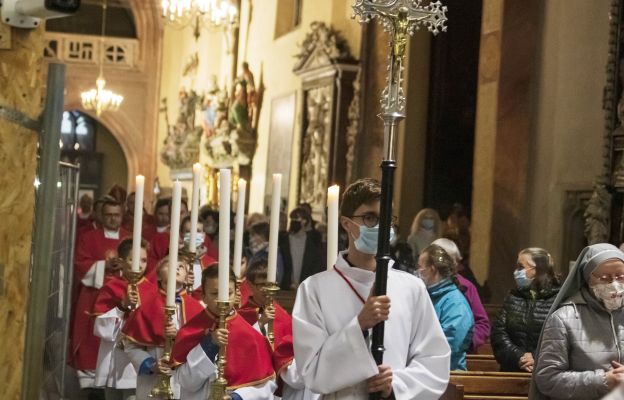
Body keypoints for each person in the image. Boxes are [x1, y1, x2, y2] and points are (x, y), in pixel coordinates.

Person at [293, 178, 451, 399]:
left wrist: (396, 384)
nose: (380, 226)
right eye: (370, 218)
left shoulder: (411, 288)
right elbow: (311, 371)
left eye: (386, 218)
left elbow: (434, 360)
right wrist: (359, 325)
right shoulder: (314, 290)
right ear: (346, 223)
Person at [531, 244, 624, 400]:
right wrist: (603, 381)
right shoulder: (563, 318)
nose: (614, 284)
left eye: (621, 276)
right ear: (588, 279)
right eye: (605, 278)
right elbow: (548, 379)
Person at [170, 266, 277, 400]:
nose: (222, 300)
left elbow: (266, 385)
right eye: (215, 294)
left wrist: (238, 397)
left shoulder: (250, 335)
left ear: (237, 293)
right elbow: (186, 382)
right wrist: (209, 345)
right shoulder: (190, 330)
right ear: (203, 296)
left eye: (228, 293)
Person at [122, 255, 204, 400]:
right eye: (169, 264)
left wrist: (180, 336)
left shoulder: (198, 309)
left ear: (187, 278)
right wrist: (151, 365)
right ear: (159, 276)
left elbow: (203, 345)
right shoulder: (147, 307)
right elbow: (130, 346)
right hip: (153, 379)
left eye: (181, 266)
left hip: (185, 379)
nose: (176, 268)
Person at [239, 258, 319, 400]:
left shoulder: (282, 315)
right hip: (250, 383)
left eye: (270, 284)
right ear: (250, 285)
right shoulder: (242, 315)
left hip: (278, 385)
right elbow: (239, 347)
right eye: (261, 285)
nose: (266, 290)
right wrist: (260, 323)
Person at [72, 199, 130, 389]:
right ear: (101, 216)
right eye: (109, 215)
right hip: (93, 295)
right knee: (92, 336)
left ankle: (115, 377)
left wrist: (125, 267)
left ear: (122, 216)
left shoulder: (130, 239)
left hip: (121, 296)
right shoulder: (89, 237)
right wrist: (104, 265)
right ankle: (90, 382)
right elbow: (80, 264)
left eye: (117, 215)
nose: (113, 219)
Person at [92, 239, 156, 400]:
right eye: (133, 259)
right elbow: (100, 326)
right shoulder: (111, 287)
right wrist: (122, 306)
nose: (139, 265)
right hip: (114, 356)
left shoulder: (152, 289)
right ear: (121, 262)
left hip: (139, 357)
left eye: (143, 260)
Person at [491, 247, 560, 372]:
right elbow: (499, 334)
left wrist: (536, 357)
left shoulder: (558, 300)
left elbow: (559, 339)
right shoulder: (513, 297)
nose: (516, 272)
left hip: (546, 373)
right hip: (511, 371)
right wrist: (519, 357)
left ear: (537, 270)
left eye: (521, 267)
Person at [418, 244, 474, 370]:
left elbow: (449, 343)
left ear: (432, 269)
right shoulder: (428, 296)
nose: (418, 273)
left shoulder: (456, 304)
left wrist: (415, 350)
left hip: (449, 374)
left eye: (421, 268)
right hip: (426, 370)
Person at [432, 238, 490, 352]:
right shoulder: (420, 285)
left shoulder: (467, 287)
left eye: (454, 261)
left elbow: (482, 323)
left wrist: (467, 342)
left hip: (461, 353)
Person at [279, 207, 323, 290]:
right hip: (285, 287)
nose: (294, 222)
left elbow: (315, 265)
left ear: (305, 221)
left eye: (297, 219)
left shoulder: (313, 242)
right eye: (292, 219)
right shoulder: (283, 240)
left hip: (306, 287)